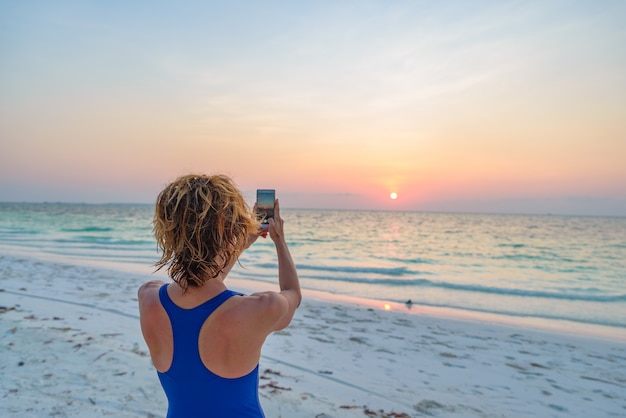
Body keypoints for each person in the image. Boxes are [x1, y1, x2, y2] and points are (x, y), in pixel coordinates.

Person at [137, 174, 301, 418]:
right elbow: (293, 294)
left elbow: (201, 293)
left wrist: (240, 245)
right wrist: (279, 240)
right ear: (231, 229)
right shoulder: (260, 308)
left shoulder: (148, 298)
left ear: (168, 231)